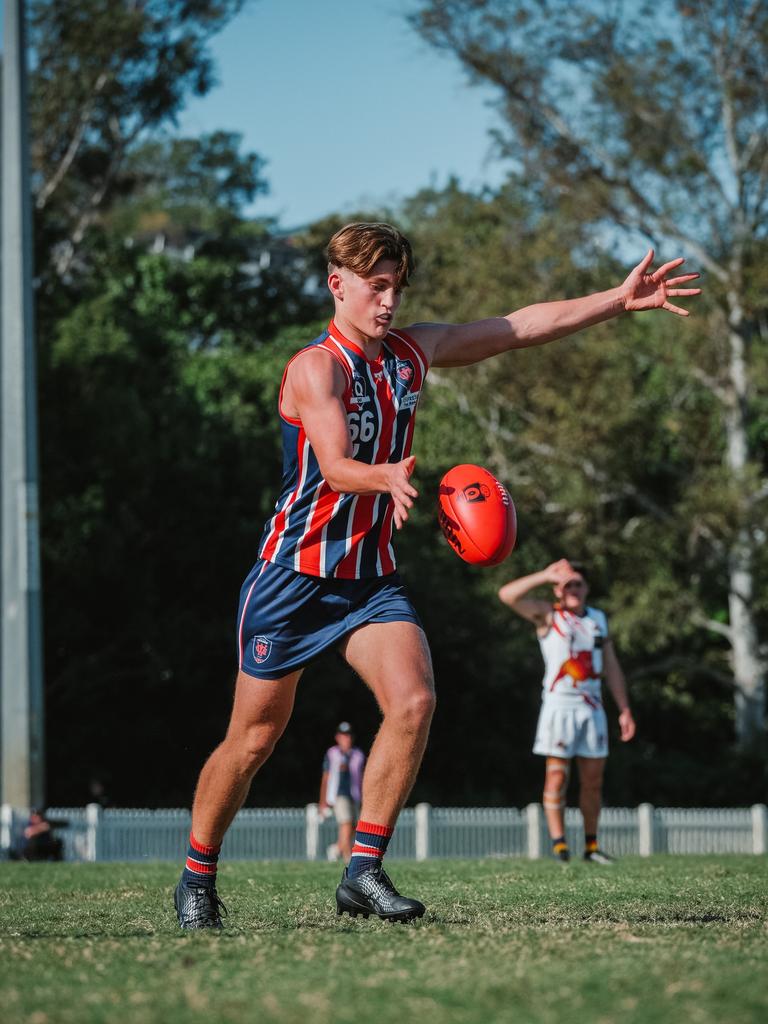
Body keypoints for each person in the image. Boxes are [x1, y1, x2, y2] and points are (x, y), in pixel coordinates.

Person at [173, 221, 700, 928]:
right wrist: (381, 475)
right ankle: (197, 877)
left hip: (369, 579)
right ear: (338, 285)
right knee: (254, 741)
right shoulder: (315, 368)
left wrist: (615, 299)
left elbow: (514, 328)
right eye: (375, 286)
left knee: (415, 702)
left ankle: (363, 871)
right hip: (292, 579)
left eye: (397, 287)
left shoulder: (410, 355)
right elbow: (332, 465)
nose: (388, 302)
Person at [498, 560, 636, 864]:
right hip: (560, 705)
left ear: (586, 589)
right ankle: (560, 844)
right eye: (568, 584)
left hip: (592, 707)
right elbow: (507, 595)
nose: (574, 589)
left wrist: (624, 708)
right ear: (558, 590)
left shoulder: (597, 619)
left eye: (579, 584)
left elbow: (611, 666)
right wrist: (545, 575)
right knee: (557, 777)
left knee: (593, 780)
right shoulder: (549, 615)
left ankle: (591, 846)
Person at [319, 721, 366, 862]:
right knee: (346, 823)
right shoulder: (332, 754)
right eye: (344, 736)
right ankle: (348, 857)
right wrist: (323, 802)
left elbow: (362, 777)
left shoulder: (358, 755)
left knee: (353, 826)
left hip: (355, 794)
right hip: (338, 795)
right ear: (338, 737)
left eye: (349, 736)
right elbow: (326, 778)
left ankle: (336, 849)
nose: (347, 739)